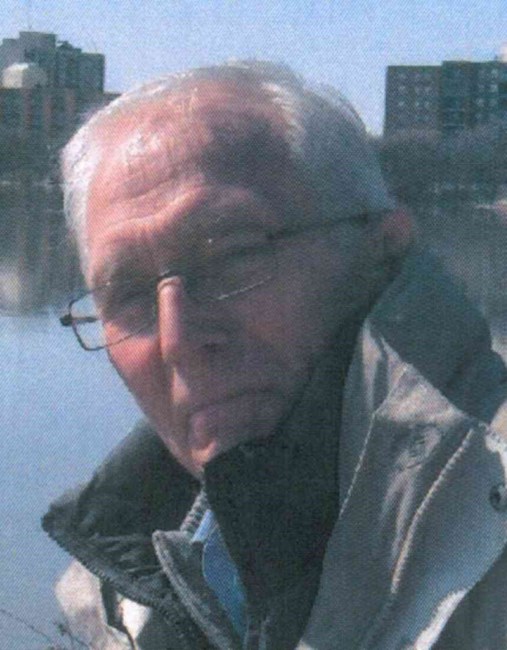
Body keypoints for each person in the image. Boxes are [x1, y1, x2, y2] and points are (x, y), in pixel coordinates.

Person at [43, 62, 507, 650]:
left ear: (382, 251)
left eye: (233, 256)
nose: (178, 338)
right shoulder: (118, 600)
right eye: (130, 294)